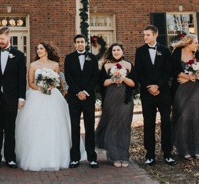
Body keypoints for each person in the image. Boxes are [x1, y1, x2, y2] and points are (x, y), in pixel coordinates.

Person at [15, 41, 72, 171]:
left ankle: (55, 157)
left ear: (47, 50)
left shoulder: (55, 65)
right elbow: (30, 83)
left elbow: (58, 82)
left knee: (54, 125)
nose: (39, 51)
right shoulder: (33, 65)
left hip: (53, 97)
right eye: (37, 49)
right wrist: (41, 88)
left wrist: (51, 86)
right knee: (35, 125)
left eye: (41, 48)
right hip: (36, 95)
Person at [0, 26, 27, 169]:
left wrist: (21, 98)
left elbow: (22, 79)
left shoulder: (19, 56)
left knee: (10, 129)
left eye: (2, 39)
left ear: (9, 37)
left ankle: (10, 157)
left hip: (11, 98)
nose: (0, 41)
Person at [133, 25, 175, 166]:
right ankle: (149, 154)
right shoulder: (140, 51)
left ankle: (167, 153)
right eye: (144, 35)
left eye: (148, 35)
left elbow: (168, 71)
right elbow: (139, 72)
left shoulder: (165, 50)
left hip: (163, 93)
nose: (145, 37)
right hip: (147, 93)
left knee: (166, 123)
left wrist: (158, 86)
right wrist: (149, 87)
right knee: (149, 124)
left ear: (155, 35)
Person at [95, 42, 136, 167]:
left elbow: (134, 84)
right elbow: (102, 84)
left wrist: (122, 77)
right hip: (111, 99)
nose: (116, 52)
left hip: (125, 99)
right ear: (111, 52)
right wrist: (114, 78)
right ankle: (114, 156)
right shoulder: (107, 66)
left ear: (123, 51)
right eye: (114, 50)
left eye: (118, 50)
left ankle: (124, 156)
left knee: (124, 126)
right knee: (112, 126)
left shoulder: (128, 65)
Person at [63, 34, 99, 168]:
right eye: (77, 42)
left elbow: (95, 76)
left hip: (88, 98)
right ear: (74, 44)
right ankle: (75, 158)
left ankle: (92, 157)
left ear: (86, 43)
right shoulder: (69, 58)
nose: (80, 44)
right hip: (74, 98)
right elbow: (68, 77)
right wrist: (78, 92)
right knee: (75, 127)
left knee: (90, 127)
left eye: (82, 42)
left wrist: (86, 92)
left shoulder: (93, 58)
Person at [170, 33, 199, 160]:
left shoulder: (197, 53)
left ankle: (197, 149)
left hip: (195, 88)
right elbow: (172, 70)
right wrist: (187, 78)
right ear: (188, 43)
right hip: (180, 88)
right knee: (183, 117)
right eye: (195, 43)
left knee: (196, 118)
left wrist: (191, 78)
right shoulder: (177, 52)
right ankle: (183, 149)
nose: (198, 45)